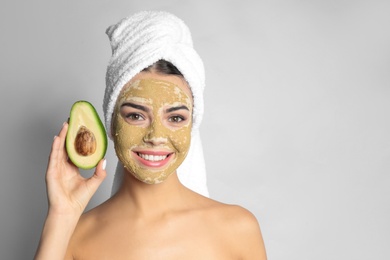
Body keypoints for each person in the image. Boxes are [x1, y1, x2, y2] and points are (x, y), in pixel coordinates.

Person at [35, 11, 267, 259]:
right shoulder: (73, 236)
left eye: (175, 118)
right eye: (136, 115)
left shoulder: (238, 228)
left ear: (192, 126)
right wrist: (61, 215)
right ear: (111, 123)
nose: (156, 136)